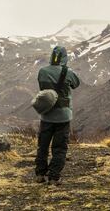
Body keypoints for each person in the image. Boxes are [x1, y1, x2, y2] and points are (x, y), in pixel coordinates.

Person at [35, 46, 80, 185]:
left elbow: (42, 87)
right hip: (63, 117)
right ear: (64, 57)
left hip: (46, 115)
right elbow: (76, 84)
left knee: (42, 145)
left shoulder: (42, 71)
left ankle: (40, 174)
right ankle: (54, 177)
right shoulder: (68, 72)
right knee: (59, 147)